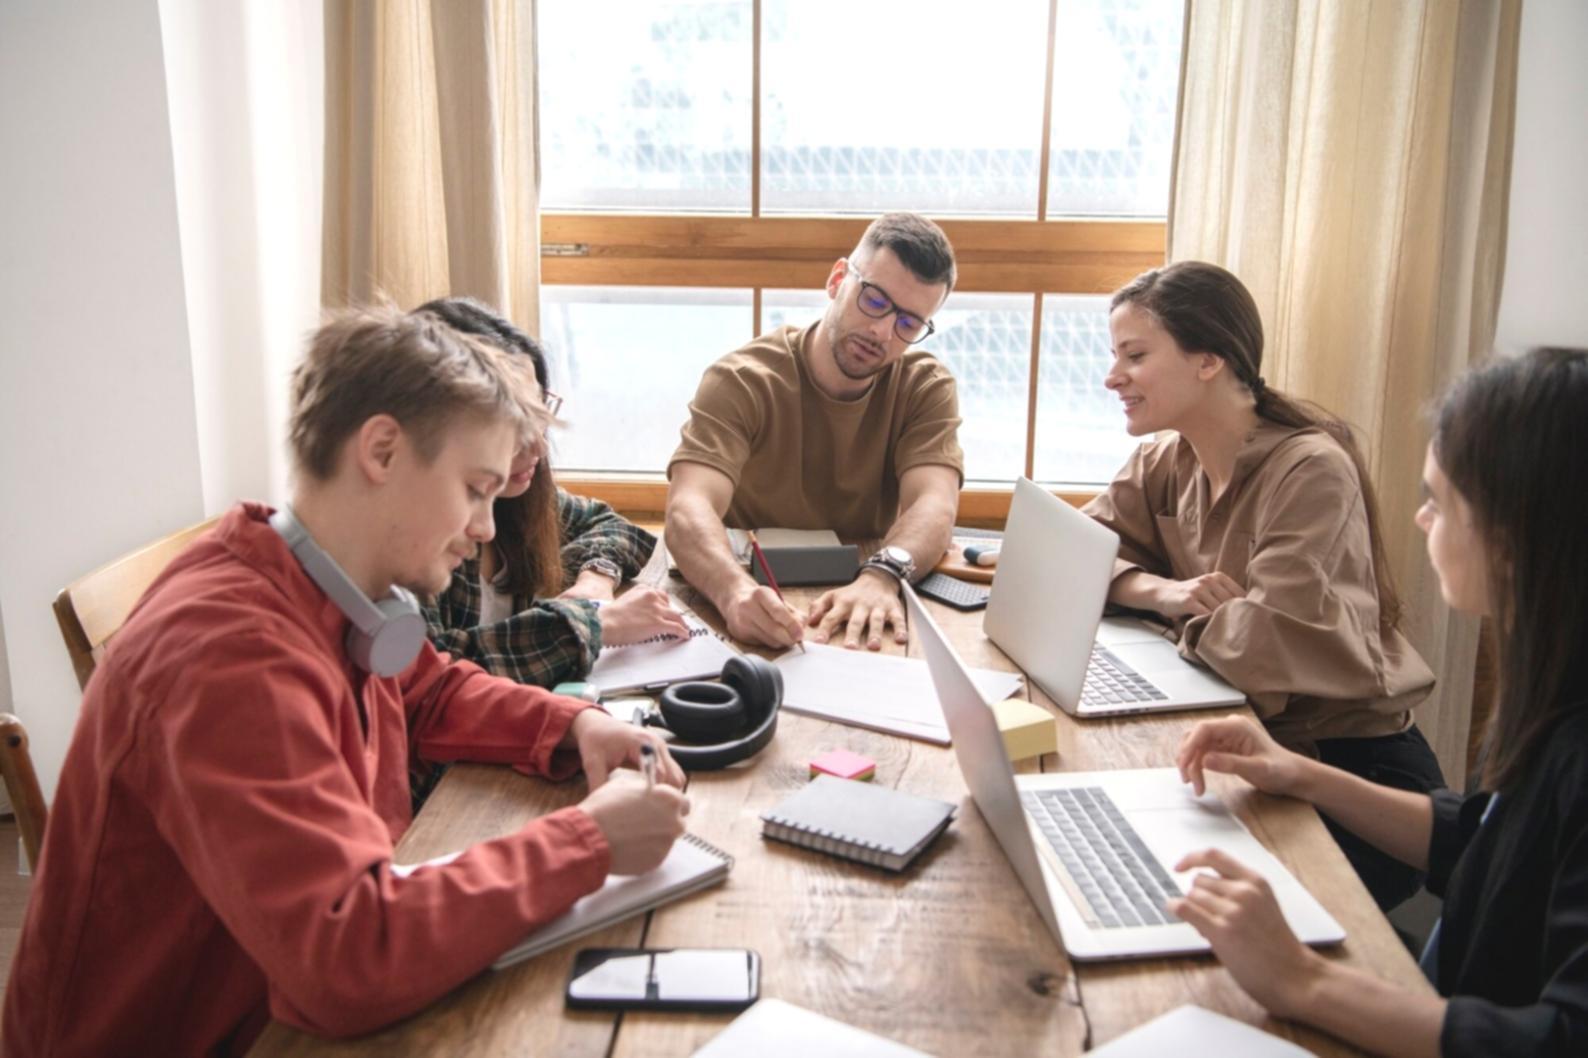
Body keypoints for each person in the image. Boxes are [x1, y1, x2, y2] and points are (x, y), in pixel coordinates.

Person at [2, 306, 690, 1056]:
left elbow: (426, 691)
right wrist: (587, 841)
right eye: (474, 489)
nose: (490, 527)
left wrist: (573, 726)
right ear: (383, 450)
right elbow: (350, 953)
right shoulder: (231, 655)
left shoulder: (313, 576)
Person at [1168, 346, 1588, 1057]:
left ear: (1513, 538)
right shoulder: (1555, 686)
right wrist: (1298, 773)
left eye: (1438, 499)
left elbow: (1562, 1039)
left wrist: (1301, 979)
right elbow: (1485, 836)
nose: (1423, 521)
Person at [1082, 261, 1444, 910]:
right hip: (1248, 743)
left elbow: (1258, 650)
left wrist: (1169, 611)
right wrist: (1162, 594)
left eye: (1134, 355)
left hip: (1349, 767)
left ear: (1208, 360)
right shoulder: (1165, 458)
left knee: (1165, 902)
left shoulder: (1310, 469)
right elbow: (1073, 558)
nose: (1112, 377)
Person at [411, 297, 689, 807]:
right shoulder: (409, 543)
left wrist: (595, 580)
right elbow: (437, 679)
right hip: (451, 796)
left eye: (540, 414)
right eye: (513, 420)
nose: (536, 447)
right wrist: (591, 623)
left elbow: (611, 524)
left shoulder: (520, 500)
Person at [666, 212, 964, 651]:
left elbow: (935, 503)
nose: (882, 331)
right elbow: (687, 508)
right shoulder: (742, 379)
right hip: (747, 593)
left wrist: (883, 575)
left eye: (908, 324)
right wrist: (734, 592)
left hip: (866, 595)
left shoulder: (925, 386)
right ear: (837, 279)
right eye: (875, 301)